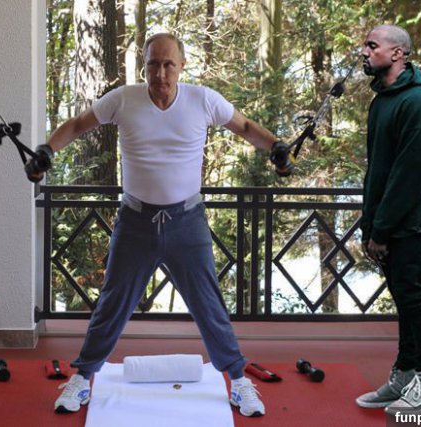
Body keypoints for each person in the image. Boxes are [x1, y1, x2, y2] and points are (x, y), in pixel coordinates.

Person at [27, 33, 278, 417]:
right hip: (135, 222)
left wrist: (277, 148)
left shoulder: (203, 100)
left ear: (182, 65)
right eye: (153, 65)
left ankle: (239, 381)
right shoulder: (123, 99)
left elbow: (244, 126)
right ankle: (83, 377)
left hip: (187, 223)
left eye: (168, 64)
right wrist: (46, 150)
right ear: (143, 65)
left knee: (209, 305)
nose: (160, 73)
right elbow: (77, 125)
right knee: (112, 303)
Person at [354, 25, 421, 414]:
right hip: (394, 220)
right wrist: (370, 225)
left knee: (412, 297)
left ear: (398, 54)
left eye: (372, 45)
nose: (364, 52)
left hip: (416, 220)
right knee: (404, 299)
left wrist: (382, 229)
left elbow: (410, 175)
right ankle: (407, 373)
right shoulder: (383, 101)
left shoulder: (419, 103)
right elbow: (379, 171)